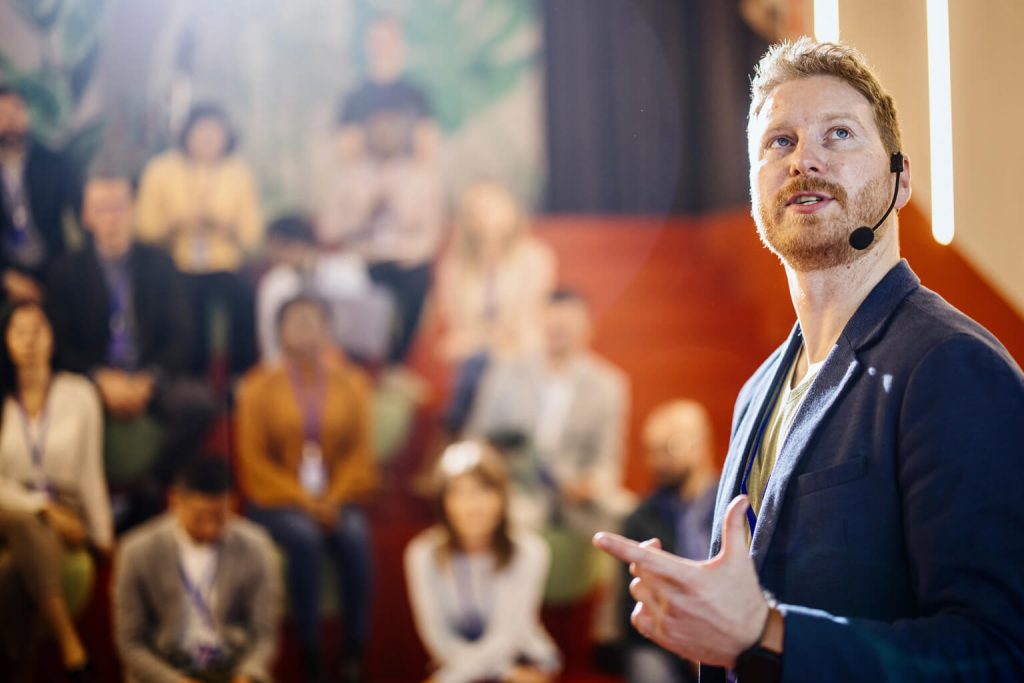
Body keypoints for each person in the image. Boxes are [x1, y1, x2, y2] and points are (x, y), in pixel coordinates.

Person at [595, 38, 1024, 681]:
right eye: (779, 142)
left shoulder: (952, 366)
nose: (805, 160)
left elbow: (999, 653)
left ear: (900, 180)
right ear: (754, 188)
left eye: (840, 134)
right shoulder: (756, 391)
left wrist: (766, 634)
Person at [47, 172, 216, 529]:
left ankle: (150, 491)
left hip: (149, 374)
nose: (113, 217)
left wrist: (148, 380)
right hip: (92, 380)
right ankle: (78, 509)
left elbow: (182, 336)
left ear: (133, 209)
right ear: (86, 217)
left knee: (198, 403)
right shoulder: (65, 271)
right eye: (102, 208)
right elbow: (61, 344)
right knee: (64, 406)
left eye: (120, 206)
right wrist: (100, 378)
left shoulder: (160, 264)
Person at [236, 294, 377, 683]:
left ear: (328, 330)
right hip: (277, 498)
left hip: (337, 495)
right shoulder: (258, 385)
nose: (305, 330)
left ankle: (353, 653)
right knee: (304, 538)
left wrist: (331, 497)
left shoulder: (352, 384)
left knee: (355, 536)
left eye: (314, 322)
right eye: (296, 322)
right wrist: (304, 501)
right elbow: (254, 461)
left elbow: (360, 454)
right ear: (279, 331)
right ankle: (310, 653)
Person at [318, 15, 444, 364]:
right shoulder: (354, 99)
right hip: (364, 253)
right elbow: (332, 226)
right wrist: (365, 203)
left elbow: (428, 157)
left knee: (414, 280)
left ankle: (395, 366)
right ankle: (358, 365)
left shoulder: (417, 95)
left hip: (406, 255)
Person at [0, 302, 111, 679]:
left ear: (53, 337)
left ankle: (21, 672)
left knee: (11, 570)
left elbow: (91, 470)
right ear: (6, 341)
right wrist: (40, 508)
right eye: (19, 331)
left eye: (38, 330)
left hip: (65, 512)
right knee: (23, 519)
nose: (29, 341)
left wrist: (101, 535)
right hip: (9, 508)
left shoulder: (79, 393)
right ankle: (70, 645)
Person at [466, 288, 632, 538]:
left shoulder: (608, 385)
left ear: (587, 329)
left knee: (629, 516)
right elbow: (476, 439)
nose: (557, 334)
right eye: (552, 327)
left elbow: (607, 460)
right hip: (516, 485)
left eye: (566, 328)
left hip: (574, 491)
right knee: (517, 517)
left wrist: (591, 484)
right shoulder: (506, 372)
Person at [113, 454, 281, 683]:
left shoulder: (256, 546)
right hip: (166, 666)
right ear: (174, 501)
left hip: (232, 665)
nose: (211, 528)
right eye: (200, 516)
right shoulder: (137, 550)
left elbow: (264, 635)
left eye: (220, 516)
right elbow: (130, 642)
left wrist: (247, 674)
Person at [404, 440, 560, 683]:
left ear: (502, 497)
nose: (472, 505)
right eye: (458, 492)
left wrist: (449, 679)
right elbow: (438, 638)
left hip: (523, 660)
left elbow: (506, 637)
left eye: (483, 490)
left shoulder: (529, 550)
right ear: (443, 502)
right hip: (459, 663)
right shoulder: (422, 554)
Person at [136, 103, 262, 376]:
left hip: (223, 264)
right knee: (188, 301)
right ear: (187, 133)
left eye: (216, 131)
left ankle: (239, 381)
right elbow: (144, 231)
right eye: (201, 130)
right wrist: (176, 224)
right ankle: (192, 380)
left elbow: (253, 237)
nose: (208, 138)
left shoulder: (238, 172)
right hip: (175, 264)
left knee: (244, 296)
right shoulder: (161, 169)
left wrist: (226, 227)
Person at [436, 181, 557, 435]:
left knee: (485, 370)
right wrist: (477, 340)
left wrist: (480, 339)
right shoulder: (455, 266)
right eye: (478, 210)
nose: (486, 216)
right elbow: (457, 324)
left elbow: (521, 317)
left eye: (493, 207)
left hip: (521, 353)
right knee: (474, 367)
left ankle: (465, 433)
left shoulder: (535, 257)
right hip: (475, 358)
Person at [620, 401, 719, 683]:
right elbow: (633, 605)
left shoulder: (735, 504)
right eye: (651, 451)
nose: (657, 461)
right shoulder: (640, 519)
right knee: (647, 667)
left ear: (700, 444)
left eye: (669, 448)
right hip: (664, 638)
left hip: (728, 622)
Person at [256, 213, 391, 365]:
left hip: (341, 360)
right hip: (290, 365)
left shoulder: (346, 269)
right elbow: (269, 336)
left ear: (299, 244)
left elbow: (362, 325)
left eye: (277, 247)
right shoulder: (275, 282)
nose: (272, 255)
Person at [0, 84, 83, 304]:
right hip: (6, 271)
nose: (10, 119)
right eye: (3, 113)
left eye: (17, 110)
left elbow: (80, 213)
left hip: (53, 267)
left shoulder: (54, 163)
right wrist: (6, 278)